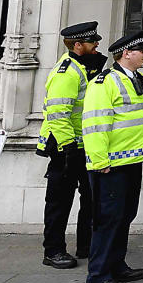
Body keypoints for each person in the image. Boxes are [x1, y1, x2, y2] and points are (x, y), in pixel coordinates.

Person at [82, 32, 143, 283]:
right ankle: (97, 277)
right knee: (108, 220)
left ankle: (116, 264)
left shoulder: (139, 80)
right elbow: (95, 124)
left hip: (131, 161)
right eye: (141, 50)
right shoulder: (104, 82)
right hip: (111, 165)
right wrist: (99, 161)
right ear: (125, 53)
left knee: (124, 216)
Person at [38, 21, 103, 269]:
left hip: (83, 144)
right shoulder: (67, 72)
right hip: (66, 147)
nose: (97, 44)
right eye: (91, 42)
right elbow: (58, 112)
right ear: (78, 45)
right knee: (59, 202)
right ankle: (53, 250)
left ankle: (86, 245)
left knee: (90, 198)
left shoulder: (83, 68)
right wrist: (68, 147)